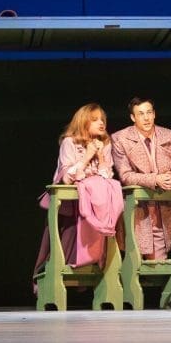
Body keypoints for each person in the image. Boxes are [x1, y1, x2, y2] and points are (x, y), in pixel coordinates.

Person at [34, 103, 123, 280]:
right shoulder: (70, 142)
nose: (101, 123)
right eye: (95, 119)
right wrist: (88, 155)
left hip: (97, 206)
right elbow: (67, 177)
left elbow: (107, 175)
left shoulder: (105, 144)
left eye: (102, 119)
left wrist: (100, 156)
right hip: (71, 207)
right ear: (83, 122)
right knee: (64, 249)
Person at [111, 96, 171, 260]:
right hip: (137, 208)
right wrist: (155, 179)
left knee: (158, 262)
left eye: (149, 112)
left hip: (162, 205)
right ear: (132, 117)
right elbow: (126, 176)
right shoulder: (120, 138)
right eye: (141, 114)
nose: (146, 118)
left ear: (154, 114)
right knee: (134, 261)